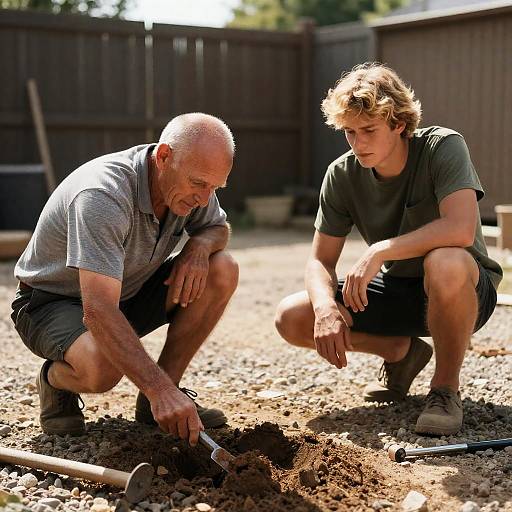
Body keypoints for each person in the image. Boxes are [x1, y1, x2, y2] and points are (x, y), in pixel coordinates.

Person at [275, 63, 502, 436]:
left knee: (445, 259)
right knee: (293, 315)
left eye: (368, 130)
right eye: (349, 132)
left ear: (398, 124)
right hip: (400, 292)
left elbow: (460, 229)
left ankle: (445, 390)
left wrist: (379, 250)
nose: (358, 143)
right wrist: (325, 309)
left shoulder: (442, 147)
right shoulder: (342, 174)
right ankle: (400, 351)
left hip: (463, 289)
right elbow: (319, 260)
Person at [11, 113, 239, 447]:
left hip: (125, 292)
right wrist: (156, 386)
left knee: (223, 268)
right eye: (199, 184)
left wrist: (200, 247)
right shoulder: (103, 195)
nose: (204, 199)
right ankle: (55, 380)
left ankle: (159, 401)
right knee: (103, 367)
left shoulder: (191, 181)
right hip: (51, 303)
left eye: (215, 188)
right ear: (163, 157)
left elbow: (217, 227)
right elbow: (99, 310)